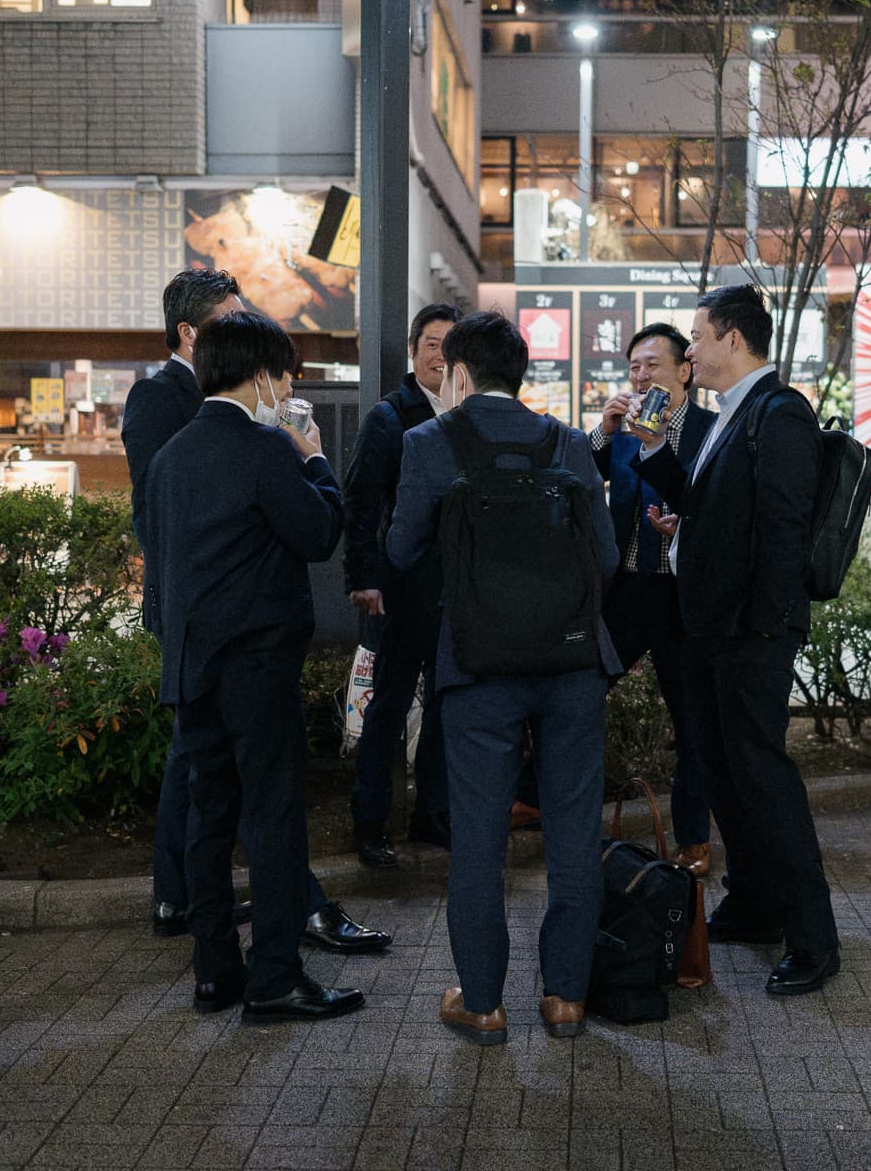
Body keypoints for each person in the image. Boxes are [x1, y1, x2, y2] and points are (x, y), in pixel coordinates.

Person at [128, 269, 389, 956]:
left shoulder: (183, 450)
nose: (291, 391)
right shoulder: (228, 431)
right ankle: (272, 966)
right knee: (263, 804)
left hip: (200, 639)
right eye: (286, 377)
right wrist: (317, 463)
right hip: (245, 642)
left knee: (210, 800)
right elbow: (315, 533)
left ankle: (213, 961)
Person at [386, 311, 620, 1045]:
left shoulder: (428, 441)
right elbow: (606, 560)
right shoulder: (570, 444)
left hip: (479, 666)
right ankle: (567, 999)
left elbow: (399, 550)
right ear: (521, 374)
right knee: (574, 831)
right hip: (573, 661)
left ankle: (483, 1002)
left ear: (458, 373)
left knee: (480, 838)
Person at [631, 284, 841, 997]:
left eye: (697, 336)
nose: (688, 351)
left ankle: (814, 937)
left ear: (733, 340)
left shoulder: (780, 413)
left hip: (749, 634)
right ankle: (754, 905)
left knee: (765, 780)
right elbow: (710, 503)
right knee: (726, 773)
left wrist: (762, 624)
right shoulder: (731, 413)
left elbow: (784, 528)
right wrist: (657, 456)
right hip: (713, 630)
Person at [588, 322, 716, 874]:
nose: (640, 376)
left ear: (685, 370)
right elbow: (580, 481)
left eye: (652, 365)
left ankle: (694, 840)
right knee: (578, 688)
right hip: (630, 588)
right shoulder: (621, 428)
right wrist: (602, 430)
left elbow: (711, 501)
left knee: (691, 719)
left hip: (682, 593)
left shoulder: (712, 429)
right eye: (634, 367)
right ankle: (538, 799)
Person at [341, 303, 461, 867]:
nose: (440, 355)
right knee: (386, 708)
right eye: (432, 344)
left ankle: (431, 817)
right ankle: (370, 824)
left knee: (444, 703)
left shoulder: (469, 414)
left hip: (456, 590)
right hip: (398, 589)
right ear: (414, 351)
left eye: (450, 346)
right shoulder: (392, 416)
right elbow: (360, 504)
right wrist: (363, 578)